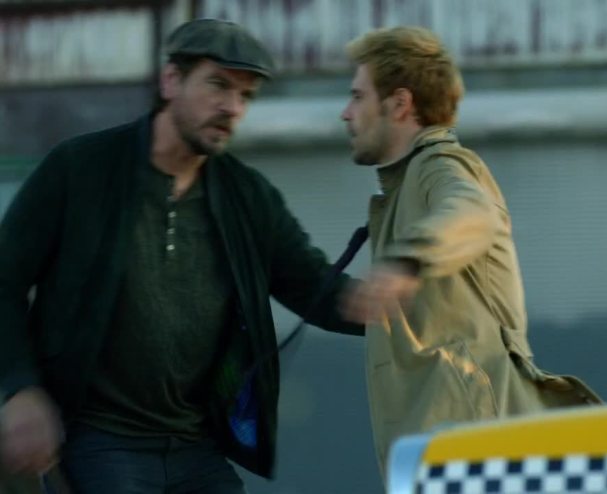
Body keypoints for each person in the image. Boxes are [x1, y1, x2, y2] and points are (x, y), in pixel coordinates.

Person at [0, 18, 362, 493]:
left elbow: (316, 288)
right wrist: (20, 389)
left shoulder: (247, 196)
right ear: (171, 80)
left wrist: (402, 301)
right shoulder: (81, 170)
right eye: (218, 85)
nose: (232, 107)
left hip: (196, 444)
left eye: (246, 95)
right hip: (99, 439)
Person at [340, 26, 599, 472]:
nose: (346, 113)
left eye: (358, 97)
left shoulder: (441, 166)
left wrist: (406, 261)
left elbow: (471, 211)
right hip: (444, 451)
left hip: (478, 453)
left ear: (399, 104)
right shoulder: (405, 188)